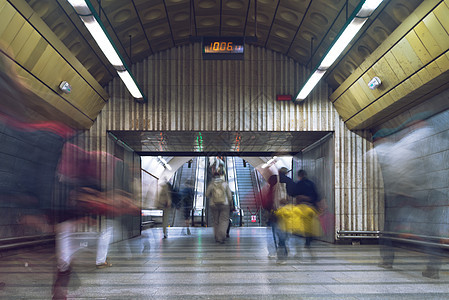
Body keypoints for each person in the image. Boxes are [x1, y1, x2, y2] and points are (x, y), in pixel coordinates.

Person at [206, 170, 232, 244]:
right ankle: (222, 236)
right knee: (224, 221)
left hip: (213, 204)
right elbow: (229, 196)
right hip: (224, 204)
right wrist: (230, 203)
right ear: (220, 176)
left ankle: (217, 237)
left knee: (216, 221)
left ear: (213, 177)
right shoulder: (224, 184)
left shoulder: (211, 184)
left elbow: (207, 194)